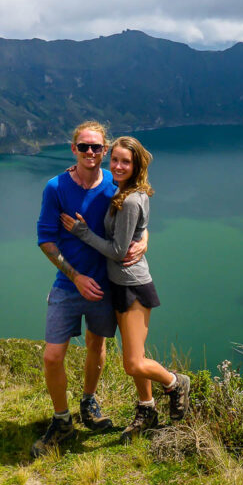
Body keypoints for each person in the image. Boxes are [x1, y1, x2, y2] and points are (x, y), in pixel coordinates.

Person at [61, 136, 190, 443]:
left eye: (125, 162)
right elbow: (139, 229)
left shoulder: (130, 199)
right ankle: (147, 410)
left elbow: (119, 251)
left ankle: (175, 382)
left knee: (132, 362)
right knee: (136, 357)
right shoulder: (124, 191)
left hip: (132, 286)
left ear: (136, 166)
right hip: (117, 285)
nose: (118, 166)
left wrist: (82, 232)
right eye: (114, 160)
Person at [32, 121, 147, 455]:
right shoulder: (56, 187)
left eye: (97, 147)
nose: (91, 153)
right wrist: (75, 276)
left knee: (97, 346)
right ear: (74, 149)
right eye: (84, 147)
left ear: (106, 149)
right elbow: (45, 238)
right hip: (69, 285)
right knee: (53, 356)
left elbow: (139, 218)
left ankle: (88, 402)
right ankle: (62, 419)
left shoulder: (116, 183)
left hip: (104, 285)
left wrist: (144, 240)